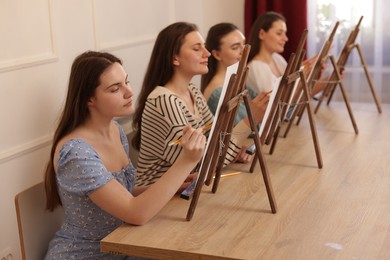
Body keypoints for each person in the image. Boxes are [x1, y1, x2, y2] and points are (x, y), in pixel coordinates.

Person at [44, 51, 206, 259]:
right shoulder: (76, 153)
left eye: (126, 82)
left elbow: (122, 193)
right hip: (88, 254)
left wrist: (174, 187)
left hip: (124, 244)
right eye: (115, 89)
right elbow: (136, 213)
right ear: (89, 99)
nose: (129, 92)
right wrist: (186, 161)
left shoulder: (114, 130)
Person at [132, 22, 253, 187]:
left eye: (204, 47)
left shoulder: (193, 91)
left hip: (184, 189)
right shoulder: (164, 100)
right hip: (161, 200)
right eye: (197, 49)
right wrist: (248, 123)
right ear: (175, 58)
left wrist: (231, 151)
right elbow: (198, 163)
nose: (207, 53)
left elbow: (215, 140)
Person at [201, 22, 269, 127]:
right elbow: (243, 133)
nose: (244, 51)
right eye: (235, 47)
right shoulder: (218, 93)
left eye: (244, 44)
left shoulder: (237, 81)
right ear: (217, 54)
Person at [246, 11, 326, 97]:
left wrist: (311, 76)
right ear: (262, 34)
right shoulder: (255, 67)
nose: (286, 38)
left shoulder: (277, 58)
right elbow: (277, 104)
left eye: (285, 33)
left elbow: (295, 95)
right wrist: (297, 76)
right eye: (279, 33)